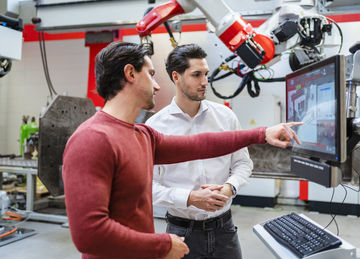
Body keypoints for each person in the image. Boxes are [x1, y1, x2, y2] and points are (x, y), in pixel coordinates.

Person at [62, 41, 301, 259]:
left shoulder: (141, 135)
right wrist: (162, 245)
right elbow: (89, 235)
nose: (156, 86)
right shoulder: (92, 139)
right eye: (151, 75)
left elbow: (200, 144)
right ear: (130, 73)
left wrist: (262, 133)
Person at [145, 44, 251, 259]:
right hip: (181, 233)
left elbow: (243, 163)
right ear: (176, 76)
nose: (205, 82)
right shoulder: (155, 127)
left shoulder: (225, 117)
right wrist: (190, 198)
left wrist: (230, 187)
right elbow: (148, 186)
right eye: (196, 75)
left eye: (206, 74)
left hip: (225, 230)